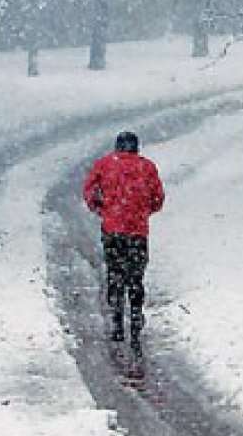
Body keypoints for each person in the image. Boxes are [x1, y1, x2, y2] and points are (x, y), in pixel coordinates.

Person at [82, 131, 165, 357]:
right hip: (137, 231)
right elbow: (158, 198)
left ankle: (117, 318)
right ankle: (136, 316)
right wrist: (142, 211)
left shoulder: (105, 164)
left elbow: (89, 191)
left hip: (113, 230)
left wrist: (102, 208)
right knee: (136, 275)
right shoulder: (147, 167)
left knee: (115, 272)